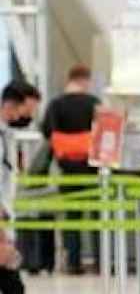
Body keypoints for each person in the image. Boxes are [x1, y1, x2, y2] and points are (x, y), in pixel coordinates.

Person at [0, 82, 55, 294]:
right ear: (12, 104)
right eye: (28, 110)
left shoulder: (6, 134)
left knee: (12, 287)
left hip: (4, 222)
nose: (30, 117)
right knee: (12, 287)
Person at [35, 65, 100, 275]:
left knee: (72, 216)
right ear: (85, 80)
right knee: (98, 215)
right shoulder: (93, 103)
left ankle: (73, 262)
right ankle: (100, 258)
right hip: (91, 168)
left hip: (66, 168)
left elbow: (47, 132)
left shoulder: (55, 105)